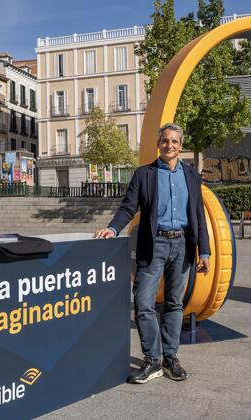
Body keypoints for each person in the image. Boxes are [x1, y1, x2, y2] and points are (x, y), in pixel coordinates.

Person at [94, 123, 210, 384]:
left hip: (182, 246)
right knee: (144, 303)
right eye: (165, 141)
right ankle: (152, 360)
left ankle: (170, 358)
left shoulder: (191, 176)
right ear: (159, 144)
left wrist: (204, 251)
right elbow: (128, 207)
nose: (170, 145)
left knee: (174, 303)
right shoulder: (143, 174)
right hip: (153, 245)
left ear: (181, 146)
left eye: (175, 142)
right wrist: (113, 229)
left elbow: (198, 216)